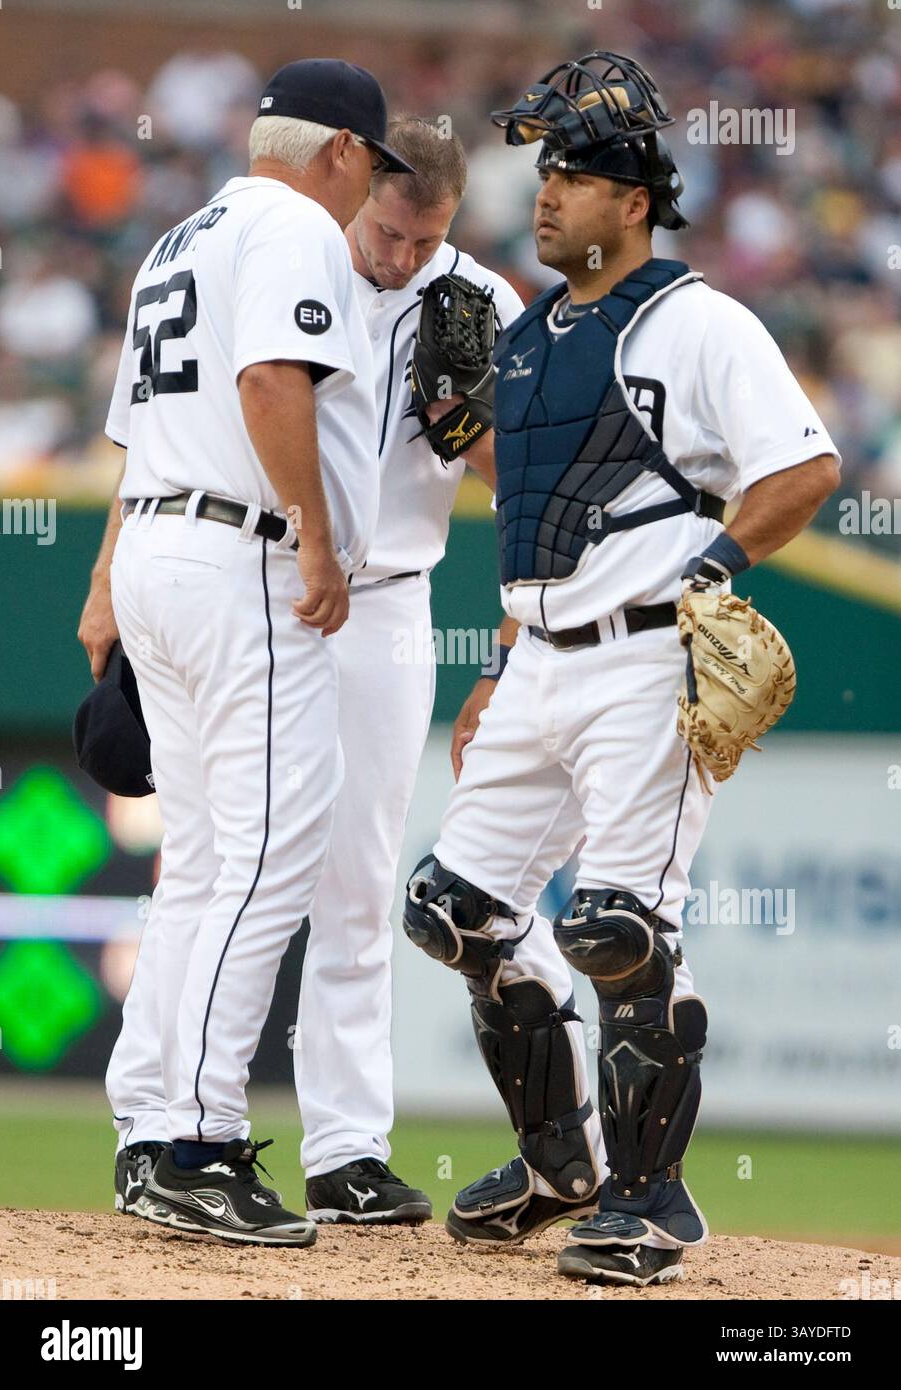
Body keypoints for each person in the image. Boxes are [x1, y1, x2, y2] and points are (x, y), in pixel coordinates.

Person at [401, 51, 840, 1286]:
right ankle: (562, 1168)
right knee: (457, 910)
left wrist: (716, 558)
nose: (546, 195)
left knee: (616, 930)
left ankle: (655, 1203)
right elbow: (545, 509)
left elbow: (801, 466)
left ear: (634, 201)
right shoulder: (535, 332)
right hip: (541, 659)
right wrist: (497, 663)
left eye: (576, 176)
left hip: (649, 657)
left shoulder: (696, 319)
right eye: (543, 173)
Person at [78, 116, 524, 1226]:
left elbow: (520, 477)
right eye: (391, 227)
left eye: (427, 239)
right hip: (256, 575)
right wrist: (104, 572)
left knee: (357, 878)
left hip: (379, 601)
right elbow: (159, 424)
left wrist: (474, 428)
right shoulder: (290, 243)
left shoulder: (478, 303)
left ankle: (345, 1149)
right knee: (217, 858)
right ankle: (161, 1120)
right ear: (361, 182)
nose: (402, 255)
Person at [87, 57, 413, 1247]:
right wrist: (317, 541)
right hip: (242, 560)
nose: (367, 188)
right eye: (369, 164)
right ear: (336, 149)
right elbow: (271, 379)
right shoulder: (289, 226)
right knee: (270, 854)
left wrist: (102, 582)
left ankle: (143, 1126)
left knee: (209, 854)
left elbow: (133, 433)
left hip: (159, 549)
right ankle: (200, 1139)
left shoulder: (180, 236)